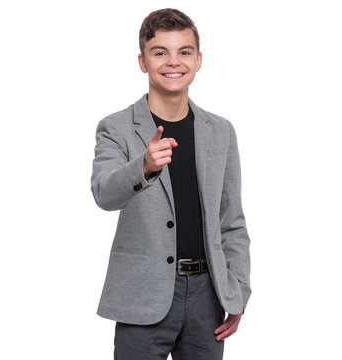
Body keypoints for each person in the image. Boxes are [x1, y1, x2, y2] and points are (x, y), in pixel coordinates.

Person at [90, 8, 251, 360]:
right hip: (142, 297)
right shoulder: (116, 127)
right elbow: (104, 192)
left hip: (208, 297)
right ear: (142, 61)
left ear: (199, 59)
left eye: (184, 51)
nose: (173, 62)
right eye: (160, 52)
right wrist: (143, 168)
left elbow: (232, 221)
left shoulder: (220, 131)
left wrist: (236, 292)